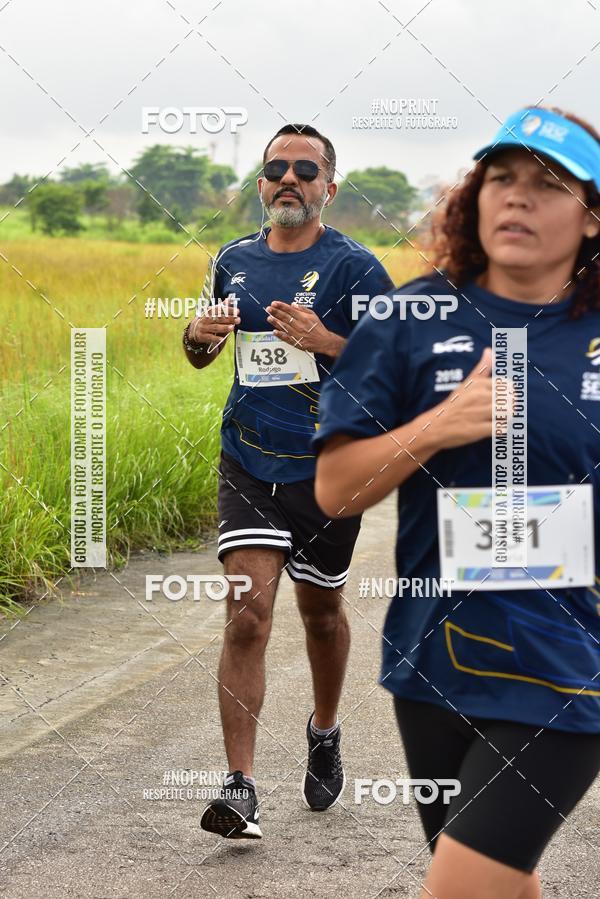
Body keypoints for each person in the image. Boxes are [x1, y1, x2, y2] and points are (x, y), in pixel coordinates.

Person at [313, 106, 600, 898]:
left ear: (592, 213)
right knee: (498, 881)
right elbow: (336, 492)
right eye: (500, 179)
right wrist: (437, 426)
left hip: (567, 665)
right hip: (432, 664)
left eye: (547, 185)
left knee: (459, 887)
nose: (517, 199)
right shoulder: (409, 318)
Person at [184, 123, 394, 839]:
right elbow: (203, 352)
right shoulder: (232, 259)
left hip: (329, 467)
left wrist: (327, 341)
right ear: (262, 182)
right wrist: (197, 339)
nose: (289, 178)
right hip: (247, 454)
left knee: (321, 613)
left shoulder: (357, 270)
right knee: (247, 611)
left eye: (306, 168)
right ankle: (239, 786)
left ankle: (325, 728)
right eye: (277, 166)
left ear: (329, 187)